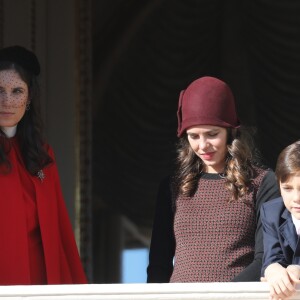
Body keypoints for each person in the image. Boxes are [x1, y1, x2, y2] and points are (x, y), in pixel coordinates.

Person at [147, 76, 280, 283]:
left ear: (230, 131)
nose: (203, 145)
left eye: (212, 134)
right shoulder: (171, 187)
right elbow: (158, 264)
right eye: (194, 136)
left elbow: (265, 259)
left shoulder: (263, 182)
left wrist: (221, 295)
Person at [0, 45, 87, 285]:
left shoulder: (42, 154)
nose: (7, 100)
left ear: (28, 99)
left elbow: (59, 231)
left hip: (40, 287)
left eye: (17, 90)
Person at [261, 141, 300, 300]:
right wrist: (273, 270)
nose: (296, 198)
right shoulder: (271, 212)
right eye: (288, 188)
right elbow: (272, 257)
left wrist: (297, 269)